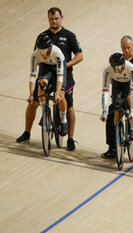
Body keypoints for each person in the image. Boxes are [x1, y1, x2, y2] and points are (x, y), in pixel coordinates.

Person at [16, 7, 83, 151]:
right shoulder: (42, 36)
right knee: (33, 102)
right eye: (51, 19)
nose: (54, 21)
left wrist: (65, 65)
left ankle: (70, 139)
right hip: (46, 71)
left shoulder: (69, 35)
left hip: (64, 72)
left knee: (67, 104)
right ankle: (27, 132)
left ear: (61, 18)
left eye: (56, 18)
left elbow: (80, 56)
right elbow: (36, 58)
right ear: (48, 19)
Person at [101, 36, 133, 166]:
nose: (126, 50)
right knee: (111, 117)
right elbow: (112, 80)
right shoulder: (117, 61)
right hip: (120, 92)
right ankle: (113, 149)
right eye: (124, 48)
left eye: (128, 48)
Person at [29, 33, 68, 135]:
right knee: (41, 85)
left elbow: (60, 76)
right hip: (45, 67)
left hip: (57, 68)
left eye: (45, 51)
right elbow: (33, 76)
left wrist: (57, 92)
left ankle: (63, 120)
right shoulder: (34, 54)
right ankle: (44, 112)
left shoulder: (57, 53)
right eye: (40, 51)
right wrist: (31, 94)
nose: (43, 54)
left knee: (61, 95)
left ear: (50, 47)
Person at [100, 53, 133, 143]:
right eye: (116, 69)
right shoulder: (107, 71)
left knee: (129, 99)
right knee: (116, 105)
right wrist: (104, 111)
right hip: (117, 84)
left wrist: (132, 110)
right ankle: (119, 132)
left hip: (129, 85)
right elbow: (105, 92)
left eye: (121, 67)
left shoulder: (131, 68)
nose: (119, 70)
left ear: (124, 63)